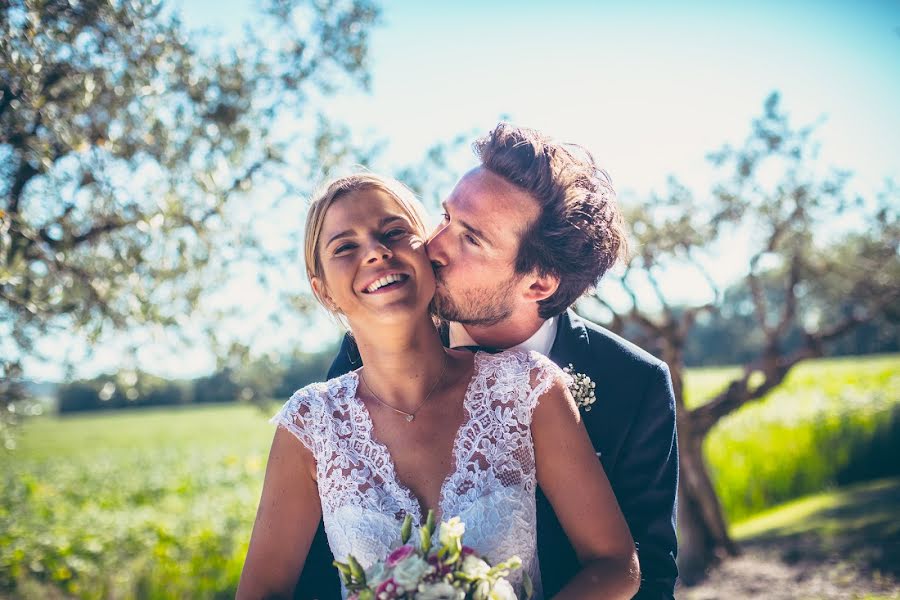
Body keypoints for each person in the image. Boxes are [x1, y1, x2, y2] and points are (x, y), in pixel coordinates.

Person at [316, 125, 679, 599]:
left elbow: (649, 581)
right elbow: (321, 567)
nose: (435, 246)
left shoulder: (634, 384)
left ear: (539, 284)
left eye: (471, 239)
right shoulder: (362, 359)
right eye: (445, 216)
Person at [237, 173, 641, 599]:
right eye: (345, 247)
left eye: (393, 232)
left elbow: (615, 564)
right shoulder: (310, 425)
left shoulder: (526, 389)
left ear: (428, 252)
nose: (375, 252)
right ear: (324, 293)